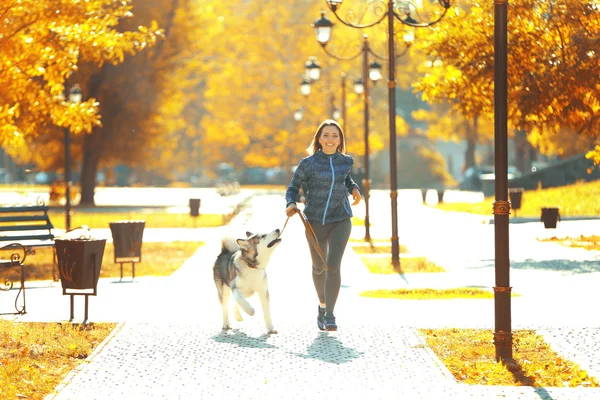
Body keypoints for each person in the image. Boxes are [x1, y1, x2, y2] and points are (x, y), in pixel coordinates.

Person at [285, 119, 361, 331]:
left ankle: (330, 315)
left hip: (341, 219)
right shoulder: (307, 164)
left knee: (333, 266)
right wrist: (290, 203)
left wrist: (354, 189)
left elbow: (346, 180)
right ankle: (322, 304)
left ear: (340, 140)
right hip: (315, 221)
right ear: (319, 138)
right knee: (319, 267)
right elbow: (292, 188)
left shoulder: (345, 161)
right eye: (326, 135)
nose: (330, 139)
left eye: (335, 136)